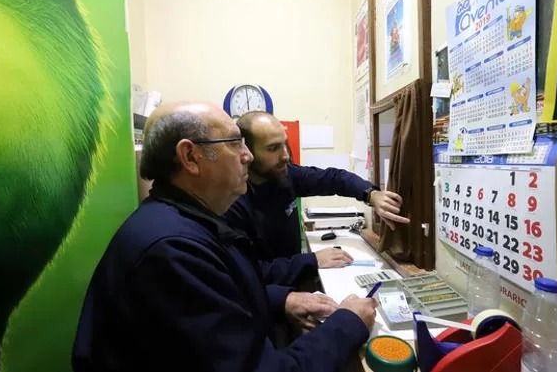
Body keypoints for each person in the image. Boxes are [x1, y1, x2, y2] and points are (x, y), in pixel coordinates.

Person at [72, 102, 377, 371]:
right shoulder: (171, 252)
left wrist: (281, 299)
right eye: (234, 143)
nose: (246, 156)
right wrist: (347, 322)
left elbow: (229, 286)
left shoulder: (188, 221)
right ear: (190, 157)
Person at [226, 111, 409, 263]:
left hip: (294, 280)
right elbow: (253, 272)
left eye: (285, 144)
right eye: (273, 148)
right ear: (246, 152)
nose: (285, 156)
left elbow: (334, 178)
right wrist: (312, 261)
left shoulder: (286, 175)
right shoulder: (232, 203)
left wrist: (371, 194)